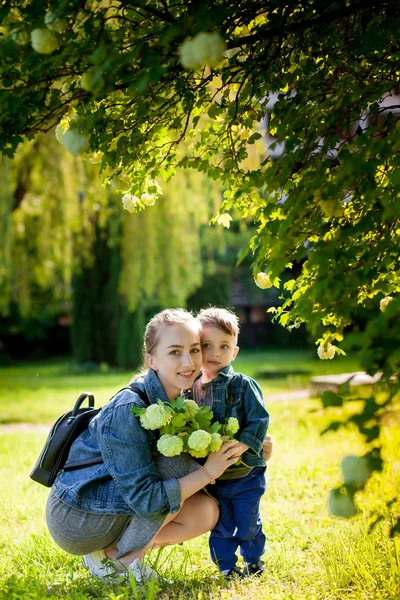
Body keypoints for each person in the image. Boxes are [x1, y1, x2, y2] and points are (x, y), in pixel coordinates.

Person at [46, 309, 240, 585]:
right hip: (77, 516)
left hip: (112, 502)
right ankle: (126, 562)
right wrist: (207, 473)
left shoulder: (182, 398)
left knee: (205, 511)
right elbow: (148, 498)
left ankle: (112, 554)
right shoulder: (129, 409)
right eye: (174, 352)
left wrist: (251, 453)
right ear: (152, 360)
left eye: (194, 350)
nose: (188, 361)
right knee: (181, 465)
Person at [188, 307, 270, 578]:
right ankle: (225, 566)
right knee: (221, 525)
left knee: (247, 522)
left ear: (234, 352)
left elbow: (259, 419)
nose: (215, 353)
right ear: (196, 350)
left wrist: (246, 443)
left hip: (246, 473)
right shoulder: (190, 391)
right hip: (214, 480)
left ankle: (254, 560)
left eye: (224, 346)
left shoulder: (243, 385)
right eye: (207, 345)